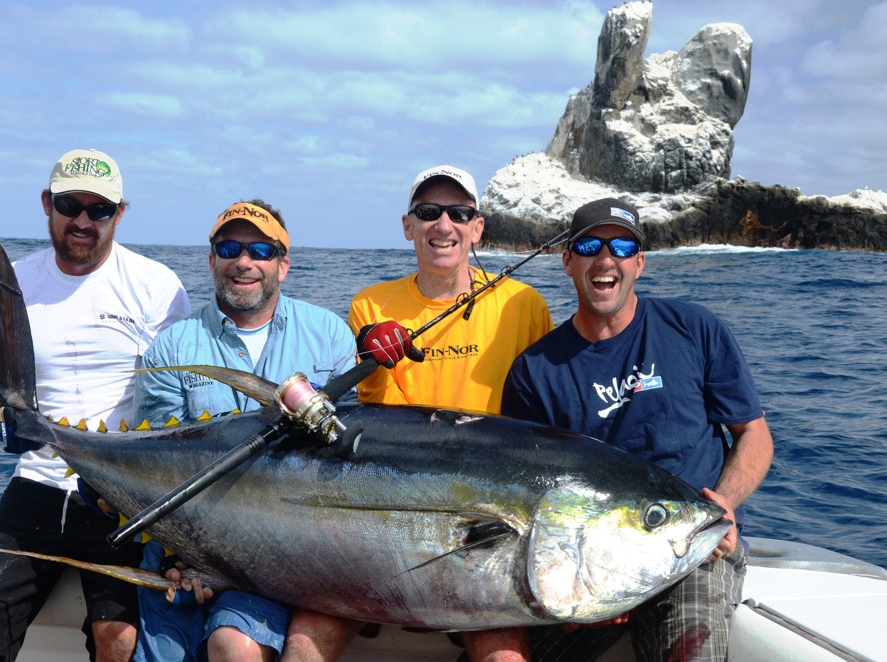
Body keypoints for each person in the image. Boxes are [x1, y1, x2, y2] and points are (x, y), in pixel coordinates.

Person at [281, 165, 553, 662]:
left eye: (458, 213)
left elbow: (544, 410)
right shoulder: (371, 304)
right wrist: (365, 347)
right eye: (428, 213)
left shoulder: (523, 304)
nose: (442, 225)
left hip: (480, 520)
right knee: (301, 648)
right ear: (408, 226)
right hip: (387, 510)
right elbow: (363, 405)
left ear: (478, 227)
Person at [0, 149, 192, 662]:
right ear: (46, 204)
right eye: (68, 203)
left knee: (119, 640)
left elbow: (176, 402)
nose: (81, 220)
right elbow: (5, 392)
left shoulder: (157, 287)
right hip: (37, 485)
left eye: (98, 209)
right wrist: (8, 426)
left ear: (120, 214)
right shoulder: (10, 285)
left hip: (123, 492)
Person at [501, 197, 774, 661]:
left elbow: (754, 434)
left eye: (622, 247)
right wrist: (594, 577)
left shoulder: (694, 328)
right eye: (589, 245)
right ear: (567, 261)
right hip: (590, 558)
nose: (606, 259)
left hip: (694, 551)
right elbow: (527, 491)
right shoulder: (535, 370)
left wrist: (725, 503)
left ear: (639, 263)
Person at [132, 199, 357, 662]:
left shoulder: (329, 334)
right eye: (229, 247)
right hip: (185, 539)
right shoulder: (174, 347)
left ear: (283, 264)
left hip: (281, 546)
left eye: (261, 249)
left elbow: (343, 459)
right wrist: (184, 554)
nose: (244, 262)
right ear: (212, 259)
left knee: (234, 645)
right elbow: (156, 462)